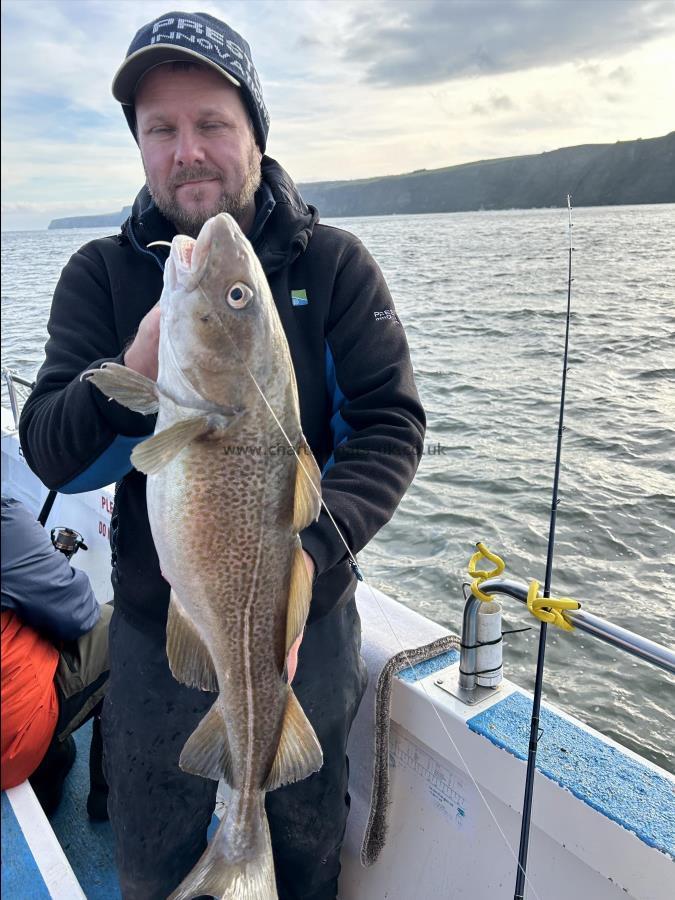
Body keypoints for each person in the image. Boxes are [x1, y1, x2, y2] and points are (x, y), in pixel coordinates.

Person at [19, 10, 426, 899]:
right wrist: (131, 370)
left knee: (304, 850)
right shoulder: (98, 274)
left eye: (211, 123)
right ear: (138, 145)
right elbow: (55, 457)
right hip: (154, 630)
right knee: (153, 854)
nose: (186, 150)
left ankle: (256, 852)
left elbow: (390, 426)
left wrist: (307, 565)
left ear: (253, 131)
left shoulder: (337, 265)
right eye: (160, 129)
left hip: (308, 626)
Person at [1, 496, 111, 820]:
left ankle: (52, 755)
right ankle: (106, 802)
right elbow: (81, 614)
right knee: (123, 626)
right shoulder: (7, 523)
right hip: (12, 743)